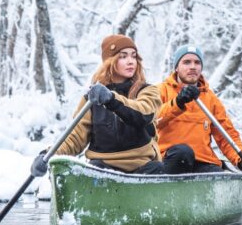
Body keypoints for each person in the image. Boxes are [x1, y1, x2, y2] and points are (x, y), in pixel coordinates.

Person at [33, 34, 162, 174]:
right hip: (103, 167)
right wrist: (47, 156)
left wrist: (111, 99)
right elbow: (75, 139)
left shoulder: (148, 90)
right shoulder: (92, 99)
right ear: (109, 61)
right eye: (123, 56)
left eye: (133, 56)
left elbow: (143, 114)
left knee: (160, 169)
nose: (131, 61)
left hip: (142, 165)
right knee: (93, 170)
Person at [155, 45, 242, 175]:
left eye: (197, 62)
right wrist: (178, 102)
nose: (193, 66)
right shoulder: (160, 91)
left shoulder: (211, 99)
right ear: (176, 67)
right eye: (186, 62)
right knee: (183, 152)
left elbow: (226, 136)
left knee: (219, 175)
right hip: (170, 160)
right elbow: (151, 121)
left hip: (203, 161)